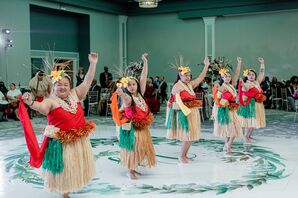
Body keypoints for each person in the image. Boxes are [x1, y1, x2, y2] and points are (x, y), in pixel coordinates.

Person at [21, 52, 98, 198]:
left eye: (65, 85)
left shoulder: (75, 94)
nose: (62, 87)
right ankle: (65, 192)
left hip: (79, 140)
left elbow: (87, 81)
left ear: (70, 86)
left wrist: (93, 63)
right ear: (53, 87)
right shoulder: (50, 101)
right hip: (63, 143)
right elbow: (41, 107)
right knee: (65, 168)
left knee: (76, 166)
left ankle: (72, 184)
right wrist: (30, 102)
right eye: (59, 85)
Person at [112, 53, 156, 179]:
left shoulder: (140, 94)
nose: (131, 87)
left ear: (137, 85)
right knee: (133, 149)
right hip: (132, 129)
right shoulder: (128, 98)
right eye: (129, 85)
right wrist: (121, 93)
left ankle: (134, 167)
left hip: (142, 128)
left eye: (133, 84)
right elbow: (125, 98)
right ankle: (130, 171)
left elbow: (143, 76)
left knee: (141, 149)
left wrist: (145, 62)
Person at [166, 56, 209, 163]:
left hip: (192, 112)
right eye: (185, 75)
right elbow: (176, 101)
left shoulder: (190, 85)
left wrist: (206, 66)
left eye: (189, 75)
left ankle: (184, 155)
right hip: (183, 113)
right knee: (187, 135)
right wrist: (185, 111)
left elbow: (200, 78)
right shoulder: (177, 86)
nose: (188, 77)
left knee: (192, 135)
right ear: (180, 76)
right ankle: (181, 156)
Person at [212, 57, 242, 153]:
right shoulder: (221, 87)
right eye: (226, 76)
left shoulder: (231, 85)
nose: (228, 78)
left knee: (232, 129)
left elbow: (236, 74)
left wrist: (239, 63)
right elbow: (218, 100)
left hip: (232, 110)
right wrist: (224, 104)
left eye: (229, 76)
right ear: (222, 77)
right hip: (225, 110)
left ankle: (227, 145)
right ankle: (228, 146)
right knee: (231, 130)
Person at [238, 57, 266, 143]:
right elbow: (245, 88)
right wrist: (242, 83)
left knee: (255, 121)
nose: (251, 76)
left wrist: (262, 63)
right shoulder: (247, 83)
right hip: (250, 104)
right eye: (249, 74)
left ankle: (249, 136)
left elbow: (261, 73)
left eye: (253, 74)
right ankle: (245, 136)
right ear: (246, 76)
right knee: (250, 121)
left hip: (257, 104)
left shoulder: (257, 82)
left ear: (255, 76)